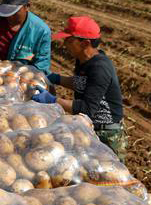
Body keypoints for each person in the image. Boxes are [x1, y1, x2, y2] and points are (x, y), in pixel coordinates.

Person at [32, 16, 127, 162]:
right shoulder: (84, 60)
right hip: (88, 126)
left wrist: (52, 100)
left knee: (108, 178)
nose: (64, 44)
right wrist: (56, 78)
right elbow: (83, 83)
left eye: (69, 41)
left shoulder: (100, 68)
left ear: (85, 43)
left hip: (106, 133)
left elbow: (87, 108)